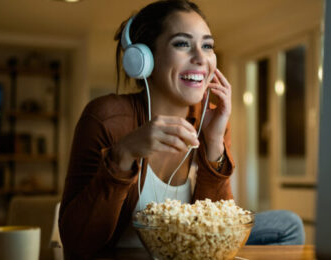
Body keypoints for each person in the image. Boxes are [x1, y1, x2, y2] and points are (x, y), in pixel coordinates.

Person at [58, 0, 304, 259]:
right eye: (182, 44)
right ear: (144, 58)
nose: (201, 58)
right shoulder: (106, 118)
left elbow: (215, 231)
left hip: (191, 250)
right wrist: (123, 154)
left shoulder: (210, 121)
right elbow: (78, 246)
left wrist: (214, 144)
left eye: (207, 46)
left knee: (288, 224)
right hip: (129, 253)